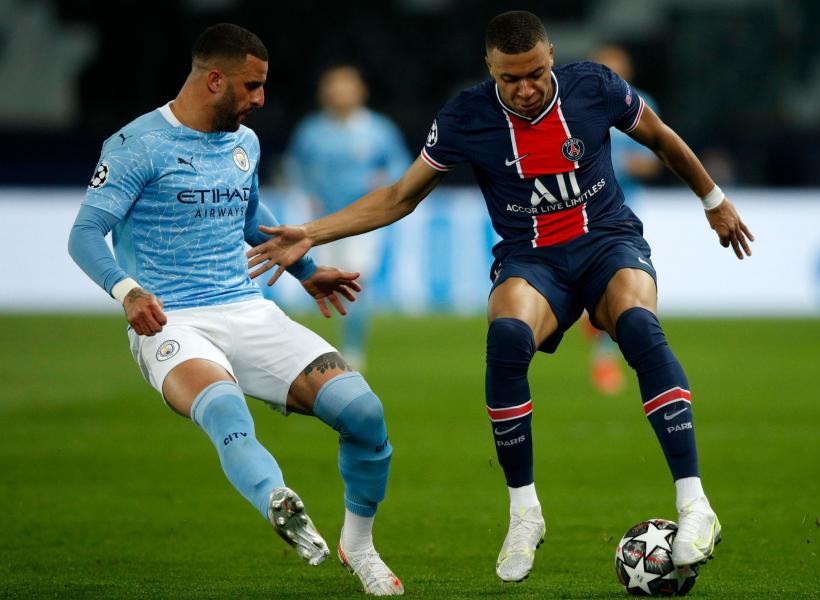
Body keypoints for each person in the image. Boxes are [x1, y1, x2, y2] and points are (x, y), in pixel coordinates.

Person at [247, 11, 753, 584]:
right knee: (507, 338)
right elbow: (398, 196)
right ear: (490, 69)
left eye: (536, 73)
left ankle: (695, 506)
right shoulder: (467, 116)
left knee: (637, 325)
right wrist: (311, 232)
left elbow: (659, 138)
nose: (526, 87)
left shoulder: (595, 87)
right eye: (511, 78)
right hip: (533, 261)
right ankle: (524, 513)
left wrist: (714, 201)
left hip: (608, 241)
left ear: (551, 57)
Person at [67, 24, 403, 596]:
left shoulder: (244, 142)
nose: (260, 99)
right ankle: (278, 499)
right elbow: (84, 234)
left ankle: (359, 546)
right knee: (223, 407)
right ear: (214, 79)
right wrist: (129, 291)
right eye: (252, 86)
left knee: (364, 414)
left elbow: (250, 222)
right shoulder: (136, 145)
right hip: (172, 319)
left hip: (249, 310)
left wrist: (307, 271)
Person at [286, 64, 410, 370]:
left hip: (363, 221)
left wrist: (384, 182)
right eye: (334, 86)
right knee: (320, 283)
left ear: (360, 91)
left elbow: (400, 164)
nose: (340, 93)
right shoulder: (311, 131)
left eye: (346, 86)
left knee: (355, 281)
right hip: (320, 222)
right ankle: (317, 350)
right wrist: (305, 191)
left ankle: (352, 350)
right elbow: (294, 165)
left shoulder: (378, 129)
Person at [582, 43, 664, 396]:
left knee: (618, 284)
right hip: (581, 210)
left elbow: (654, 159)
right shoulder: (577, 104)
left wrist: (625, 162)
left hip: (624, 213)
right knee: (597, 284)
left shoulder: (640, 104)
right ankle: (594, 320)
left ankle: (603, 352)